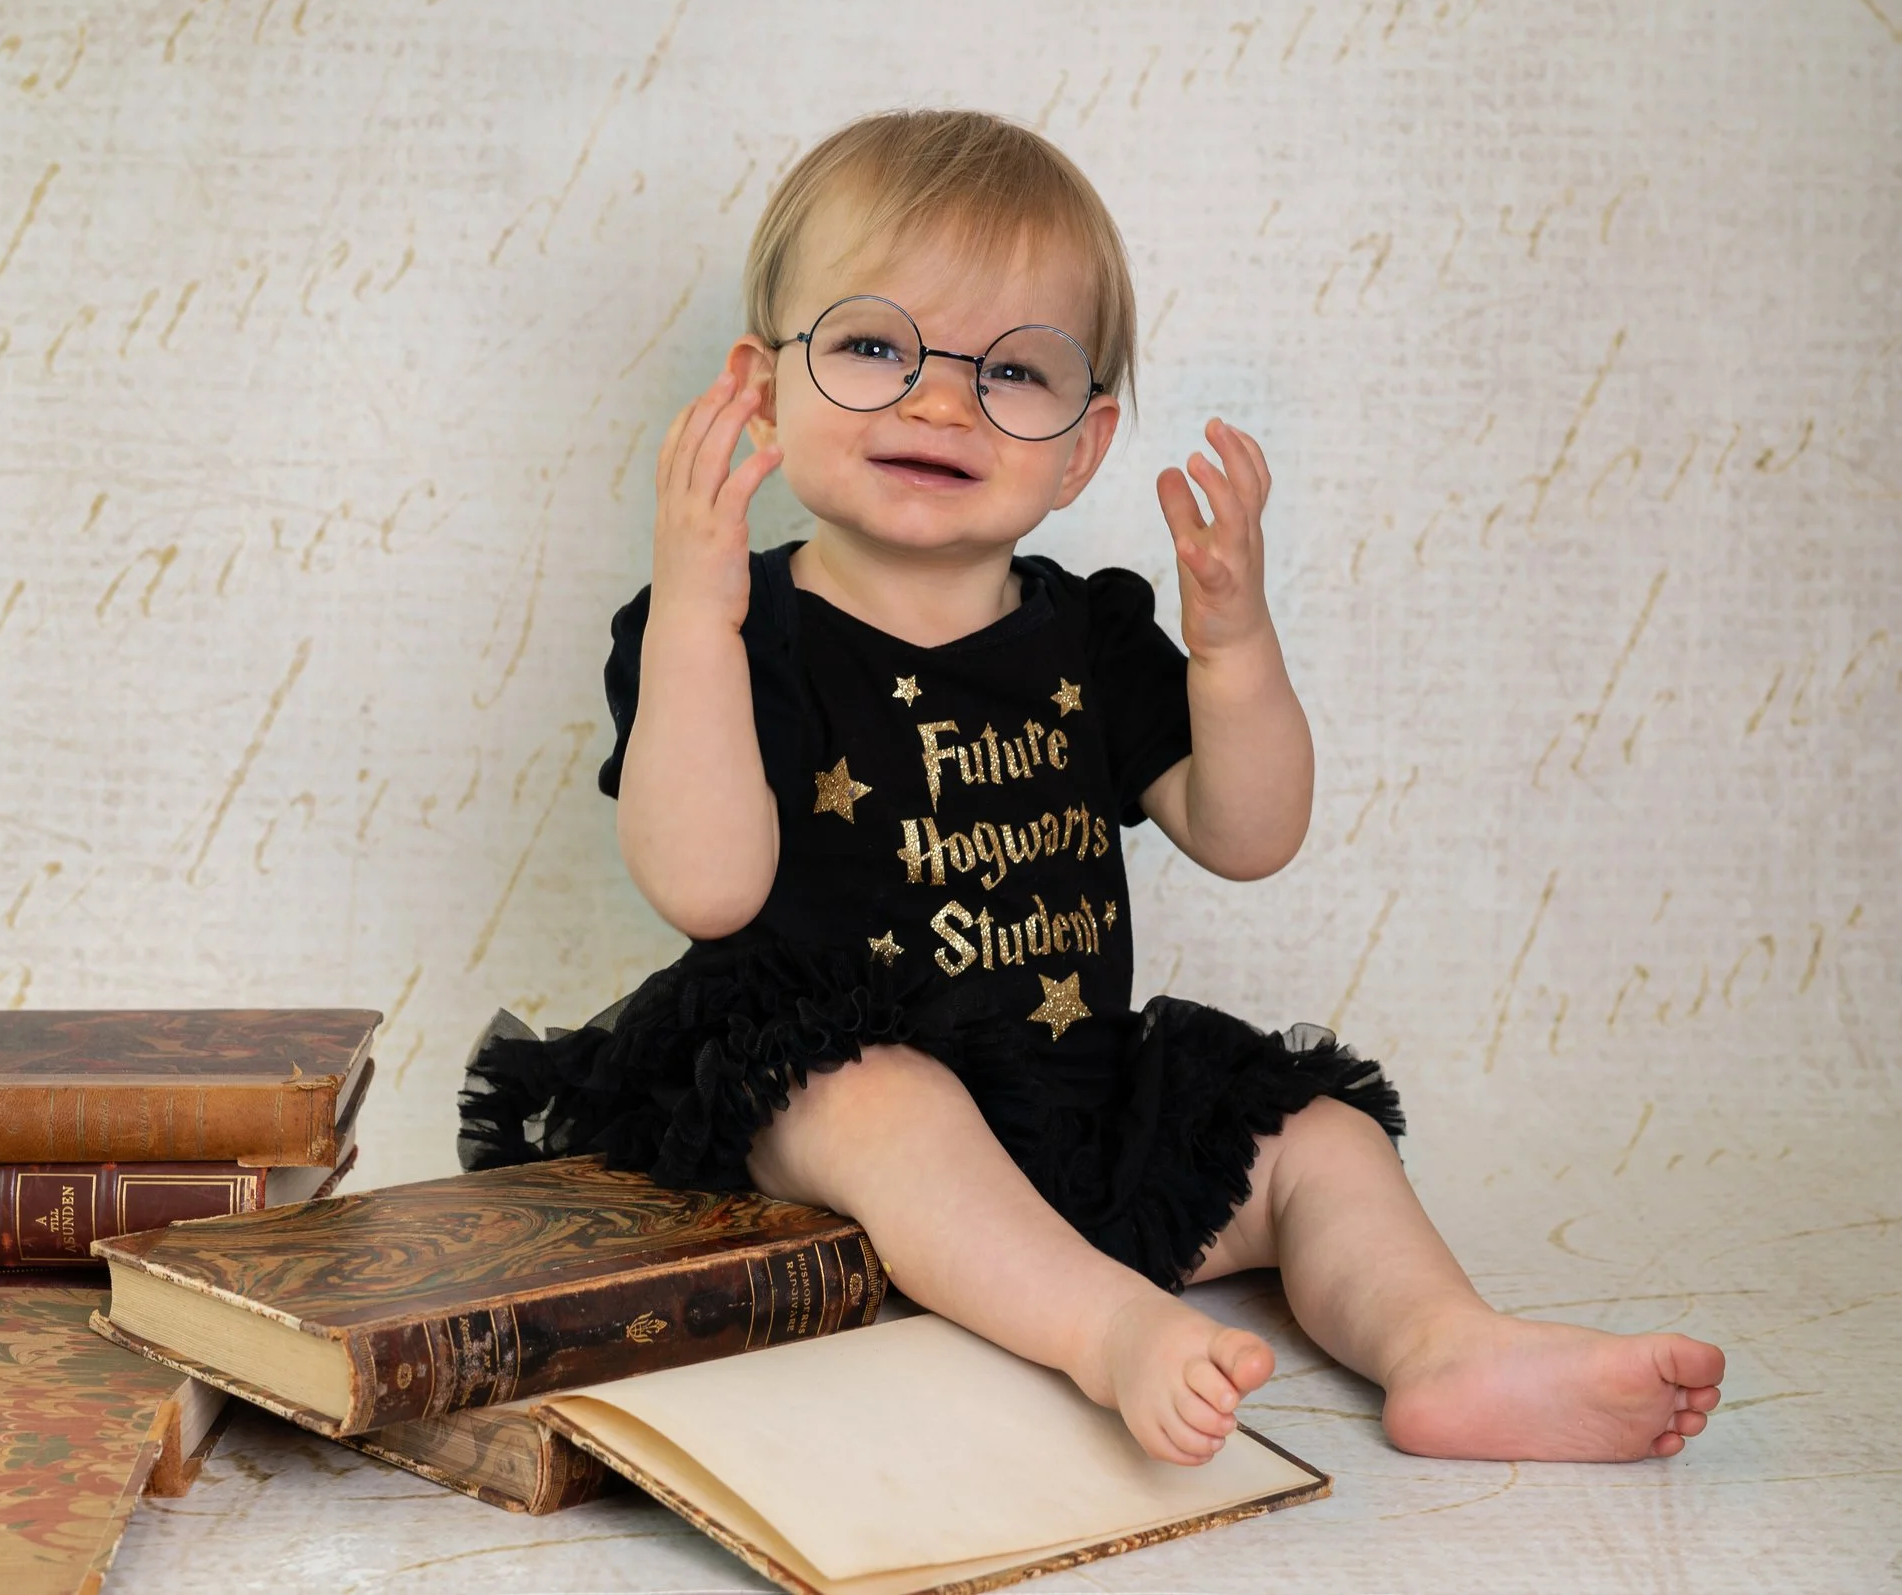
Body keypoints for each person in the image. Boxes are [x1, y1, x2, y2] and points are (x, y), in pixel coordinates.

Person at [459, 109, 1725, 1466]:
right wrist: (696, 616)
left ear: (1085, 443)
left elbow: (1250, 834)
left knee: (1321, 1133)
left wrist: (1235, 643)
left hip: (1070, 1117)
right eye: (875, 344)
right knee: (876, 1096)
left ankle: (1442, 1343)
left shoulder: (1089, 636)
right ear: (760, 388)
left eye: (1014, 371)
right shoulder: (729, 630)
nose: (941, 400)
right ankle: (1108, 1330)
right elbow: (708, 886)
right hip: (809, 1136)